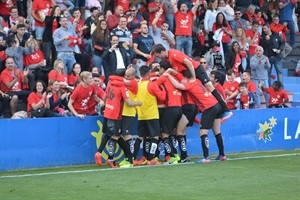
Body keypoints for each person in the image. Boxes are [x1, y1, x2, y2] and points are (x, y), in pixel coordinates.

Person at [152, 44, 233, 122]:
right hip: (188, 73)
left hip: (196, 69)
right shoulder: (167, 59)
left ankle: (226, 109)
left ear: (162, 52)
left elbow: (189, 63)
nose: (159, 58)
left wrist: (193, 78)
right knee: (194, 91)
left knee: (209, 86)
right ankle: (208, 111)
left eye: (158, 56)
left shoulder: (174, 54)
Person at [163, 69, 227, 163]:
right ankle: (222, 155)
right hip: (217, 104)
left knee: (203, 132)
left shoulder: (189, 85)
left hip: (209, 107)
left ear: (185, 78)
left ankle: (206, 157)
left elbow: (177, 85)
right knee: (217, 132)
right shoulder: (197, 81)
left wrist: (168, 75)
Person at [103, 69, 142, 168]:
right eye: (125, 75)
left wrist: (112, 79)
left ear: (133, 76)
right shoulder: (121, 84)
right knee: (115, 136)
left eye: (128, 76)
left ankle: (130, 159)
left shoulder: (133, 83)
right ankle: (111, 158)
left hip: (129, 113)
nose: (126, 77)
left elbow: (123, 82)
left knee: (127, 135)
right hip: (120, 113)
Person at [133, 65, 166, 165]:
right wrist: (163, 89)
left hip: (141, 115)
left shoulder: (137, 85)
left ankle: (133, 158)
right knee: (155, 137)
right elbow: (162, 97)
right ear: (148, 74)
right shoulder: (151, 85)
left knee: (140, 137)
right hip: (152, 114)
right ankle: (151, 159)